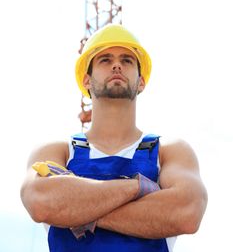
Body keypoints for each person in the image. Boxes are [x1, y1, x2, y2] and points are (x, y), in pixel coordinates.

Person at [20, 24, 208, 252]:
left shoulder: (168, 151)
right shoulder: (58, 151)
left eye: (127, 60)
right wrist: (140, 188)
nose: (117, 65)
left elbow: (187, 212)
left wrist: (77, 209)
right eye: (105, 60)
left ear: (141, 81)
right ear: (87, 80)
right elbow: (41, 203)